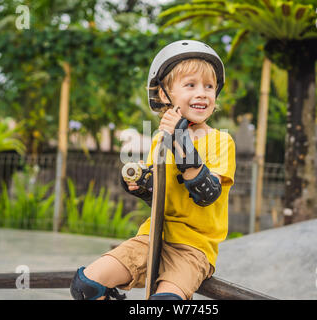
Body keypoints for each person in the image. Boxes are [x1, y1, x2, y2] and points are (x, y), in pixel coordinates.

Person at [70, 40, 236, 300]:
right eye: (190, 85)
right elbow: (158, 196)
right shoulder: (160, 140)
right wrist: (140, 185)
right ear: (163, 95)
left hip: (193, 247)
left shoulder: (220, 141)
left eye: (209, 86)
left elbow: (207, 193)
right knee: (85, 286)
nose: (203, 93)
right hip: (153, 236)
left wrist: (180, 140)